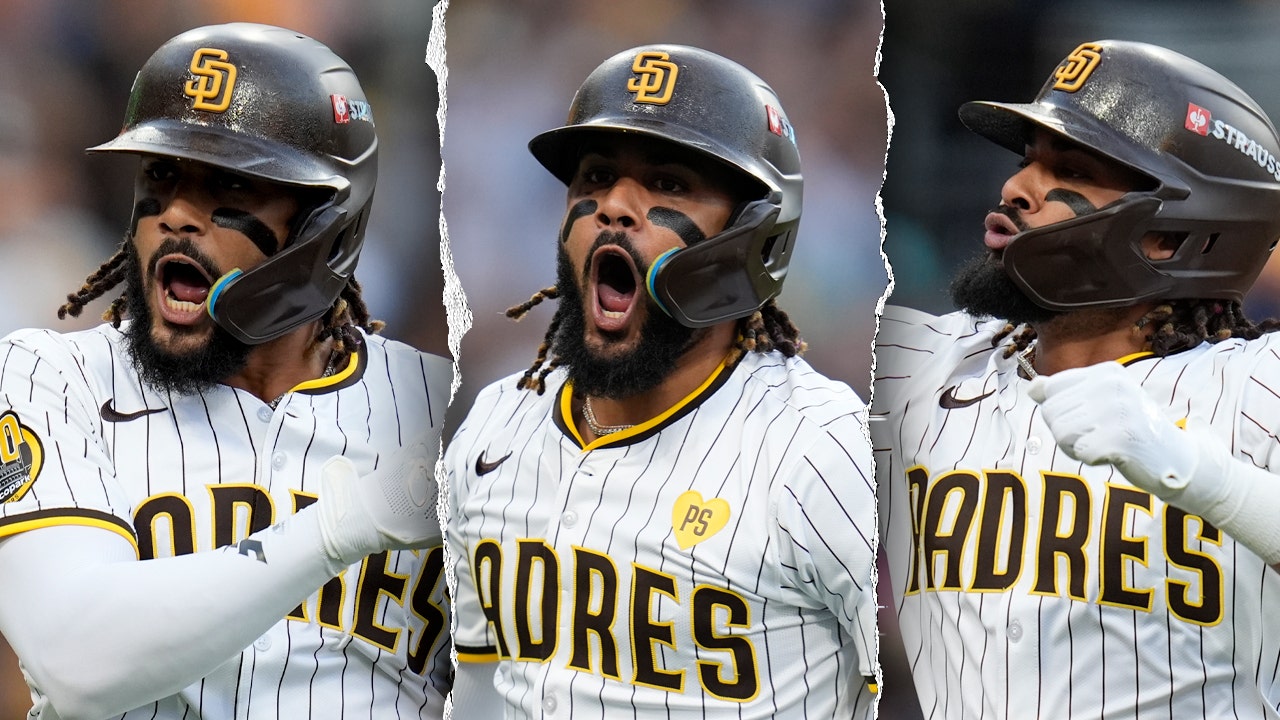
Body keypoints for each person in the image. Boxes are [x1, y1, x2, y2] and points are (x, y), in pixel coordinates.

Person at [0, 23, 453, 720]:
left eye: (229, 185)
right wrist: (346, 523)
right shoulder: (53, 378)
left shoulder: (441, 413)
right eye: (162, 175)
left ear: (323, 226)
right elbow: (74, 662)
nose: (177, 215)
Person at [444, 44, 880, 718]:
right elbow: (478, 691)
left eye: (669, 185)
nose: (614, 206)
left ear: (751, 239)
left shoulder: (820, 448)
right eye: (594, 177)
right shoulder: (498, 424)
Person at [873, 39, 1280, 717]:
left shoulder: (1259, 383)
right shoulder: (918, 364)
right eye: (1025, 161)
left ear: (1169, 233)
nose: (1015, 189)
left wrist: (1205, 477)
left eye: (1069, 169)